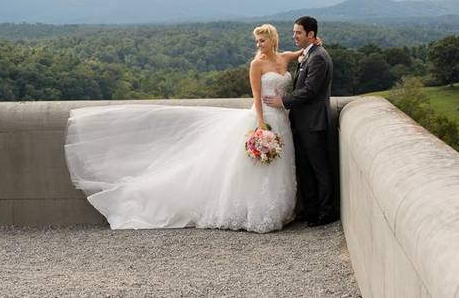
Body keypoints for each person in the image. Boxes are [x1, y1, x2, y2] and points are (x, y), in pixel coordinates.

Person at [64, 24, 303, 233]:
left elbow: (303, 51)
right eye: (257, 40)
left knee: (280, 166)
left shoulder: (284, 58)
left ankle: (279, 211)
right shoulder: (256, 64)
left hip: (282, 118)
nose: (258, 44)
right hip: (262, 117)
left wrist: (311, 45)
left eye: (262, 40)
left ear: (272, 40)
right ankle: (260, 212)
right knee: (257, 168)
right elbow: (256, 94)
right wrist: (260, 124)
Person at [264, 16, 336, 227]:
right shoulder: (308, 54)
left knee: (319, 169)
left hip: (314, 123)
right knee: (305, 168)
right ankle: (311, 209)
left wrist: (283, 101)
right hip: (303, 123)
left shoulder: (319, 57)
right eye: (294, 32)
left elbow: (310, 91)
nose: (294, 36)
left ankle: (327, 212)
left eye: (298, 33)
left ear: (311, 35)